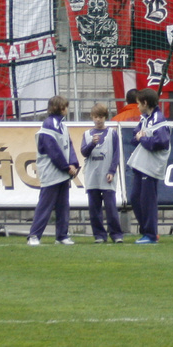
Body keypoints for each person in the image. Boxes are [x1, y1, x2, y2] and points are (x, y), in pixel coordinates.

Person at [26, 94, 78, 245]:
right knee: (45, 205)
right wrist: (66, 166)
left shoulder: (63, 125)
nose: (67, 109)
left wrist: (74, 163)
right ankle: (34, 236)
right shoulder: (48, 125)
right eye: (65, 106)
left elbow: (69, 146)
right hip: (51, 171)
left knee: (63, 205)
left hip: (63, 172)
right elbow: (53, 150)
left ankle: (61, 235)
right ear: (60, 108)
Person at [128, 88, 171, 244]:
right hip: (141, 164)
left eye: (139, 103)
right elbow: (134, 136)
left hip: (151, 166)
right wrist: (139, 138)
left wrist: (143, 140)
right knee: (135, 198)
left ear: (145, 103)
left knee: (147, 200)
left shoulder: (159, 120)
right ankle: (147, 230)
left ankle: (151, 234)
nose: (137, 106)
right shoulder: (145, 118)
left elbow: (162, 143)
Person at [79, 103, 124, 244]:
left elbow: (116, 154)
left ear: (105, 117)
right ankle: (99, 235)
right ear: (92, 117)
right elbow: (84, 152)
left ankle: (116, 235)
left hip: (107, 175)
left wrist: (112, 171)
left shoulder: (112, 133)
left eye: (101, 117)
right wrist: (92, 143)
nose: (98, 120)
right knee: (94, 208)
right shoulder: (87, 134)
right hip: (92, 175)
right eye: (96, 117)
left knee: (111, 207)